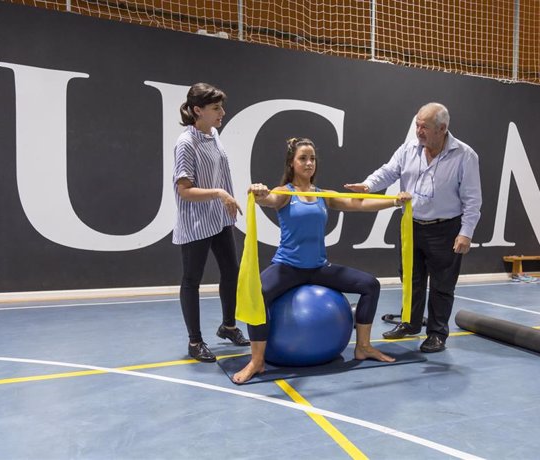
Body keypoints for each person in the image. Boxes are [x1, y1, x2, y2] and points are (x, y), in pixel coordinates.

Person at [232, 137, 411, 384]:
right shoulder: (285, 193)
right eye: (303, 158)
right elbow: (267, 199)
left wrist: (394, 201)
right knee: (257, 294)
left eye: (312, 158)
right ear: (291, 163)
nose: (308, 163)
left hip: (318, 268)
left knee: (370, 285)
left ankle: (363, 347)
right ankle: (257, 361)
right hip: (288, 267)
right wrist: (259, 192)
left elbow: (357, 204)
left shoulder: (323, 194)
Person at [345, 103, 481, 353]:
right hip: (411, 225)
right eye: (417, 124)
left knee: (442, 284)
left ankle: (437, 333)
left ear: (442, 128)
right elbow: (388, 172)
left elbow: (473, 200)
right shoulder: (408, 149)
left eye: (425, 127)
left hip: (446, 229)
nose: (419, 131)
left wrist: (466, 232)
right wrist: (367, 185)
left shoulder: (465, 155)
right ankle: (410, 323)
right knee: (410, 279)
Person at [173, 82, 250, 363]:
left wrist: (223, 198)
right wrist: (220, 193)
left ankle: (228, 326)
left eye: (221, 107)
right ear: (197, 110)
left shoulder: (213, 134)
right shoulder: (186, 143)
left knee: (231, 271)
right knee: (192, 280)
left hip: (218, 219)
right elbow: (184, 189)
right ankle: (195, 342)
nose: (222, 112)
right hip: (196, 222)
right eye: (216, 108)